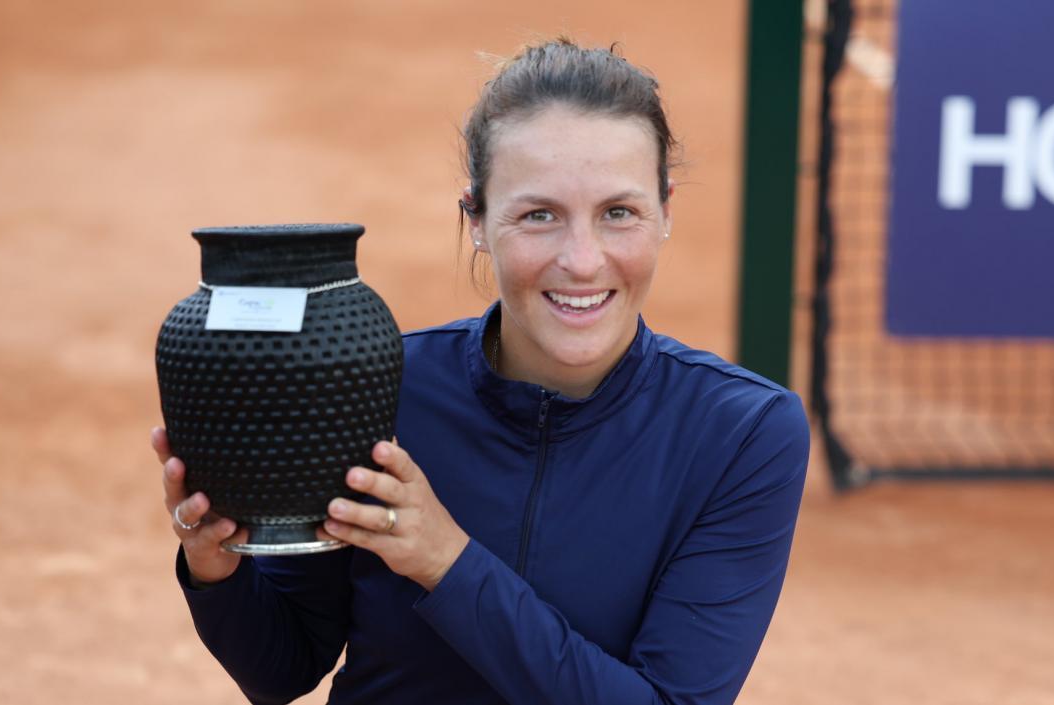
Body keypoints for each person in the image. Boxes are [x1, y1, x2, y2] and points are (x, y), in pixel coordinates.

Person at [152, 38, 809, 705]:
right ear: (477, 219)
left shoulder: (743, 433)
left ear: (665, 210)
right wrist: (218, 566)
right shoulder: (377, 388)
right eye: (539, 215)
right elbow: (283, 666)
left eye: (618, 212)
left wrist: (447, 562)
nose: (583, 260)